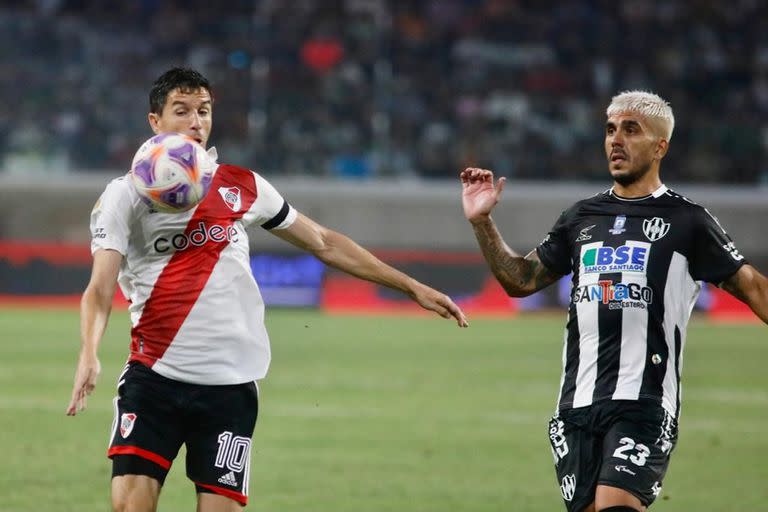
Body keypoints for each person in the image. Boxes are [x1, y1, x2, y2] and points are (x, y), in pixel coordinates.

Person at [67, 66, 468, 512]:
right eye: (181, 111)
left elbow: (323, 242)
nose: (196, 122)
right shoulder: (125, 196)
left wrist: (410, 286)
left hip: (231, 387)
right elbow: (100, 288)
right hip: (153, 379)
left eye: (204, 111)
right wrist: (89, 352)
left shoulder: (241, 185)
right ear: (155, 122)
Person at [460, 90, 768, 512]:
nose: (615, 140)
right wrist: (483, 223)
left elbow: (753, 287)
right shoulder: (581, 217)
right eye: (609, 130)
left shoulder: (687, 221)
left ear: (660, 146)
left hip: (643, 402)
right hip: (576, 406)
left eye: (630, 129)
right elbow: (521, 280)